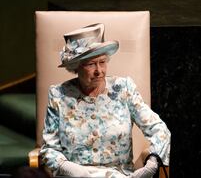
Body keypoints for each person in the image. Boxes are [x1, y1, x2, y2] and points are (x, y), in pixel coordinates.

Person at [40, 23, 171, 178]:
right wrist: (67, 167)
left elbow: (159, 130)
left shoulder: (123, 89)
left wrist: (153, 161)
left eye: (102, 62)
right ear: (76, 67)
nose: (99, 71)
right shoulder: (59, 95)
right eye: (90, 64)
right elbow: (49, 148)